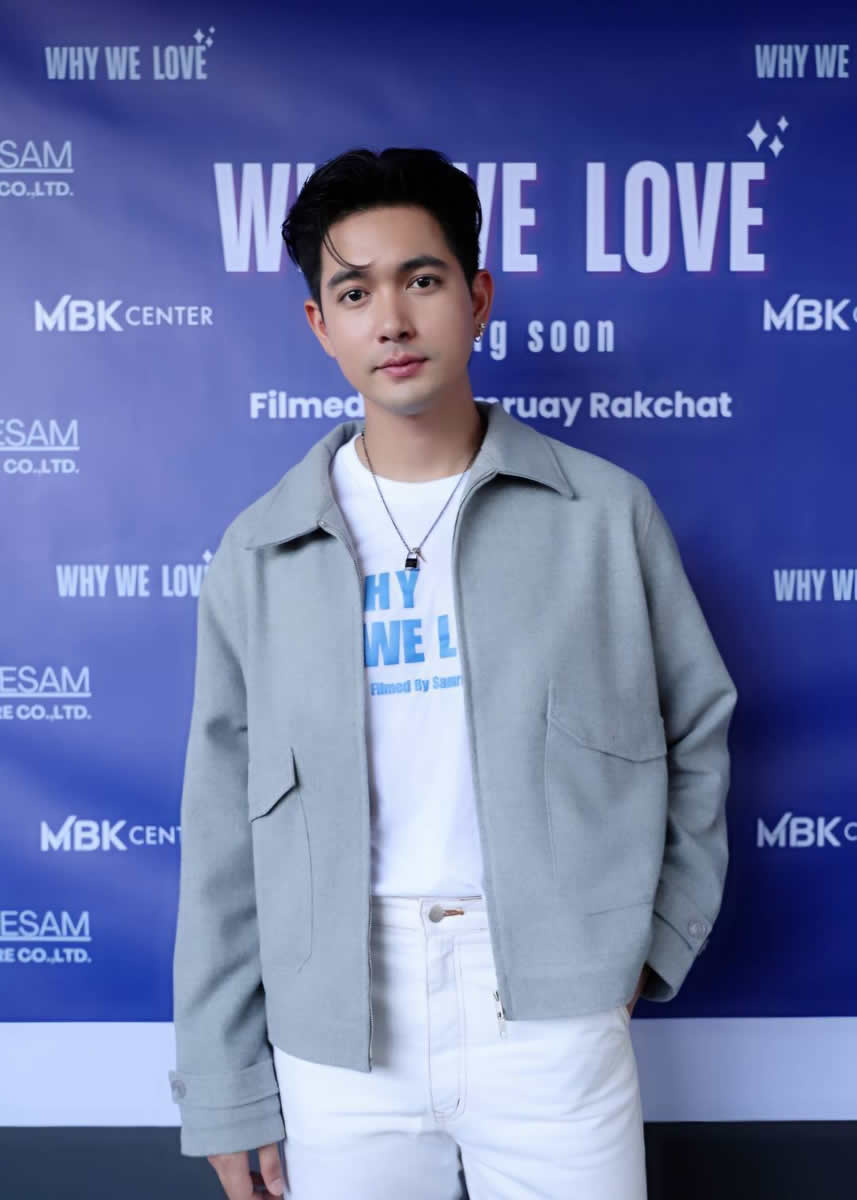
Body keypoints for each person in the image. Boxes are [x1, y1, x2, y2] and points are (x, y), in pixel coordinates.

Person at [167, 147, 737, 1199]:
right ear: (319, 325)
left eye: (420, 280)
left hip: (555, 1010)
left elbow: (695, 733)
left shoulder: (603, 515)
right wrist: (224, 1085)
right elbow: (220, 837)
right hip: (340, 1018)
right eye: (354, 292)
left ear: (476, 299)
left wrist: (649, 947)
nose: (390, 319)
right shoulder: (260, 552)